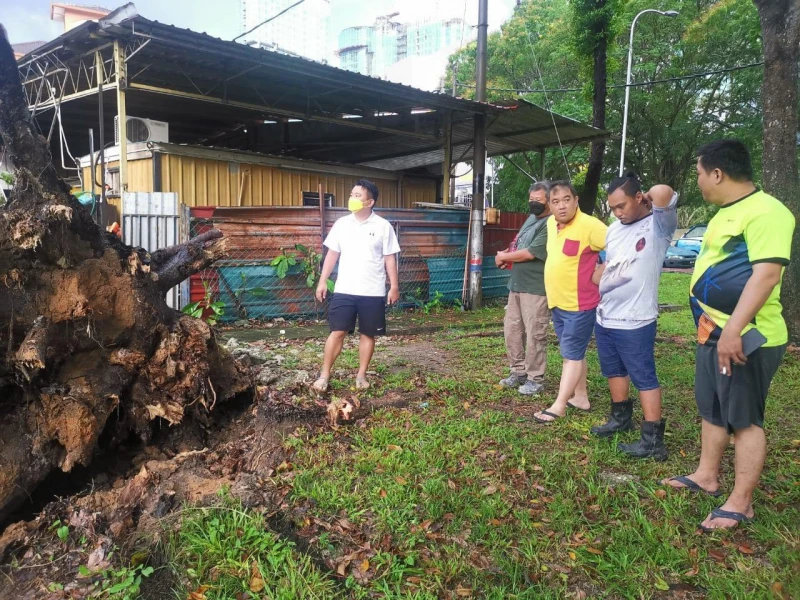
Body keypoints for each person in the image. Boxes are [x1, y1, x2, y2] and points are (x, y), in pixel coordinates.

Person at [662, 140, 794, 532]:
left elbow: (766, 274)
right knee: (713, 409)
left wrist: (734, 329)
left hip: (747, 336)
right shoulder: (725, 213)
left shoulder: (768, 211)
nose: (699, 182)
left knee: (744, 420)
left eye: (700, 174)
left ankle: (742, 502)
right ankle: (706, 475)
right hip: (713, 331)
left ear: (717, 173)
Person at [590, 173, 678, 461]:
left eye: (622, 205)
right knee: (614, 370)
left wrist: (650, 197)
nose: (617, 213)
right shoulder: (614, 229)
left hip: (636, 319)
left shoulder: (658, 226)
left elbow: (663, 189)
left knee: (643, 376)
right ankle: (620, 418)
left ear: (639, 197)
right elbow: (608, 262)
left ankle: (652, 440)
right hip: (606, 315)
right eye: (612, 208)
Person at [312, 180, 401, 392]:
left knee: (368, 333)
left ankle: (361, 375)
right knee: (337, 332)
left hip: (372, 291)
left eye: (357, 195)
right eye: (352, 194)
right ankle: (324, 375)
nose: (352, 199)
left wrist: (394, 286)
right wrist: (322, 280)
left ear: (370, 202)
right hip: (345, 289)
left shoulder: (382, 226)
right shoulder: (342, 224)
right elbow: (332, 254)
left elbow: (390, 258)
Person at [533, 181, 607, 424]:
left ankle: (559, 405)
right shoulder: (551, 223)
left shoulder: (591, 225)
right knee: (575, 352)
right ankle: (580, 396)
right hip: (558, 302)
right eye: (555, 202)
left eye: (566, 199)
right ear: (550, 206)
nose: (561, 206)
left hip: (580, 303)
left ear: (576, 200)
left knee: (571, 355)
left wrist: (602, 270)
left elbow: (623, 248)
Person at [495, 182, 551, 395]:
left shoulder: (551, 223)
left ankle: (535, 378)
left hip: (536, 287)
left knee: (535, 333)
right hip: (517, 284)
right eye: (531, 199)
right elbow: (518, 245)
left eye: (538, 200)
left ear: (548, 200)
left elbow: (531, 252)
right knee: (512, 330)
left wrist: (504, 257)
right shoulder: (531, 219)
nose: (533, 203)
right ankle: (517, 372)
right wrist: (505, 255)